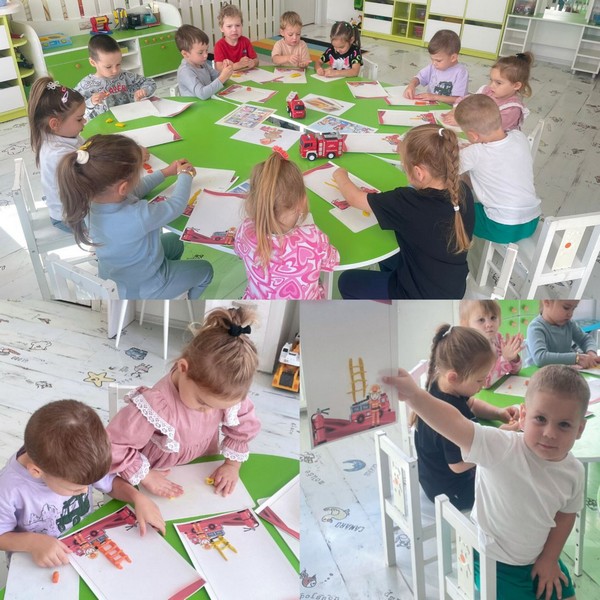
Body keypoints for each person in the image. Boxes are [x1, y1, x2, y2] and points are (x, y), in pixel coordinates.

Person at [385, 364, 588, 600]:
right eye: (540, 419)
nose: (550, 433)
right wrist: (414, 395)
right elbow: (455, 423)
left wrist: (550, 559)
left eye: (564, 424)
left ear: (579, 429)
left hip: (541, 556)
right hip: (494, 562)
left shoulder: (573, 471)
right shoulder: (502, 446)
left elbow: (566, 515)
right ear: (523, 416)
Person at [107, 307, 261, 498]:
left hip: (201, 466)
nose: (208, 412)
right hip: (157, 475)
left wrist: (232, 465)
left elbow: (243, 428)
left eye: (218, 407)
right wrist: (146, 475)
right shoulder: (155, 405)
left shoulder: (227, 393)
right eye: (202, 402)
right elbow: (113, 445)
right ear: (183, 368)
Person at [0, 400, 164, 568]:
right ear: (36, 471)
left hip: (81, 546)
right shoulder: (8, 489)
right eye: (76, 489)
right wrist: (33, 543)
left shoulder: (82, 461)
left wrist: (137, 497)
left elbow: (111, 483)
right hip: (34, 562)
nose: (86, 491)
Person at [57, 134, 213, 299]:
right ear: (123, 188)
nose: (140, 177)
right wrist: (185, 175)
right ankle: (181, 300)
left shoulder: (88, 201)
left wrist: (166, 172)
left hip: (114, 277)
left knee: (176, 242)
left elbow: (136, 189)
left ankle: (173, 281)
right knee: (206, 270)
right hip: (143, 288)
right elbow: (176, 206)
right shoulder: (137, 215)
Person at [333, 124, 474, 299]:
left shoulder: (407, 202)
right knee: (387, 256)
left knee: (347, 281)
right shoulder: (462, 190)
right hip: (452, 286)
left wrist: (339, 174)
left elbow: (354, 198)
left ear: (419, 173)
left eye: (404, 167)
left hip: (418, 296)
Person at [414, 324, 518, 510]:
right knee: (511, 481)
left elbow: (472, 404)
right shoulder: (447, 415)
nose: (483, 384)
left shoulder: (442, 385)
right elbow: (458, 465)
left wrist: (498, 412)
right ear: (453, 377)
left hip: (435, 480)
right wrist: (496, 439)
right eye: (479, 380)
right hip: (451, 492)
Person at [234, 150, 339, 299]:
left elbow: (239, 251)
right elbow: (332, 262)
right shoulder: (314, 237)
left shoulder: (245, 230)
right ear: (302, 202)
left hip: (257, 302)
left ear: (254, 201)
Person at [455, 94, 541, 244]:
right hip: (531, 221)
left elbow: (445, 169)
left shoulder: (475, 153)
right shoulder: (519, 137)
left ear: (473, 136)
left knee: (451, 207)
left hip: (500, 227)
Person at [27, 77, 86, 232]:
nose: (85, 121)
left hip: (74, 207)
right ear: (55, 124)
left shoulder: (60, 133)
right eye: (79, 119)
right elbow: (94, 176)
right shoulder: (58, 154)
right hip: (71, 218)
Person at [443, 52, 534, 132]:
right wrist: (456, 110)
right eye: (491, 80)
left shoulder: (513, 109)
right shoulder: (488, 91)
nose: (491, 85)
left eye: (498, 83)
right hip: (478, 132)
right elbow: (467, 100)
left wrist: (461, 122)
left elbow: (491, 128)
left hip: (496, 141)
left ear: (516, 85)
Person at [75, 34, 156, 120]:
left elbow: (150, 82)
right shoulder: (85, 85)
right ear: (93, 62)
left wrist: (144, 90)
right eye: (108, 67)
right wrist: (91, 102)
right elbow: (74, 110)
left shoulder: (125, 75)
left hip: (131, 117)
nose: (115, 70)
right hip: (104, 124)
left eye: (118, 64)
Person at [459, 300, 523, 388]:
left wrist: (513, 357)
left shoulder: (498, 338)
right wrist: (505, 358)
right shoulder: (471, 347)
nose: (489, 324)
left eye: (493, 318)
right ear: (465, 324)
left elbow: (515, 371)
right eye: (481, 320)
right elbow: (484, 383)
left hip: (500, 388)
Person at [527, 300, 599, 368]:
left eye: (573, 309)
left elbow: (585, 339)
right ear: (547, 301)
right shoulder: (535, 327)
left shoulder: (569, 324)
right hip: (537, 374)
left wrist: (591, 352)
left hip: (560, 372)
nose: (570, 314)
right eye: (566, 308)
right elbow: (540, 358)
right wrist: (577, 358)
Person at [403, 29, 468, 104]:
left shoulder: (461, 72)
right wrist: (411, 85)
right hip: (431, 105)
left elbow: (458, 99)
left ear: (453, 58)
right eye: (432, 59)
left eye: (438, 60)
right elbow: (418, 78)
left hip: (449, 108)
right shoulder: (433, 67)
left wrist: (434, 97)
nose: (434, 63)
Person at [175, 24, 233, 99]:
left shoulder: (202, 63)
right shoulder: (185, 71)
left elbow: (218, 79)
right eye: (200, 52)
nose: (206, 55)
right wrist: (222, 78)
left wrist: (226, 71)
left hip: (208, 101)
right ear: (185, 54)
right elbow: (202, 94)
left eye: (206, 50)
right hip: (196, 105)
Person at [213, 4, 259, 72]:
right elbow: (219, 68)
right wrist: (238, 65)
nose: (234, 29)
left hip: (246, 74)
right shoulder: (219, 45)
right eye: (229, 26)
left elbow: (256, 60)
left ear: (242, 25)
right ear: (221, 28)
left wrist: (252, 63)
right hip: (228, 76)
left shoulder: (245, 41)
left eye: (237, 25)